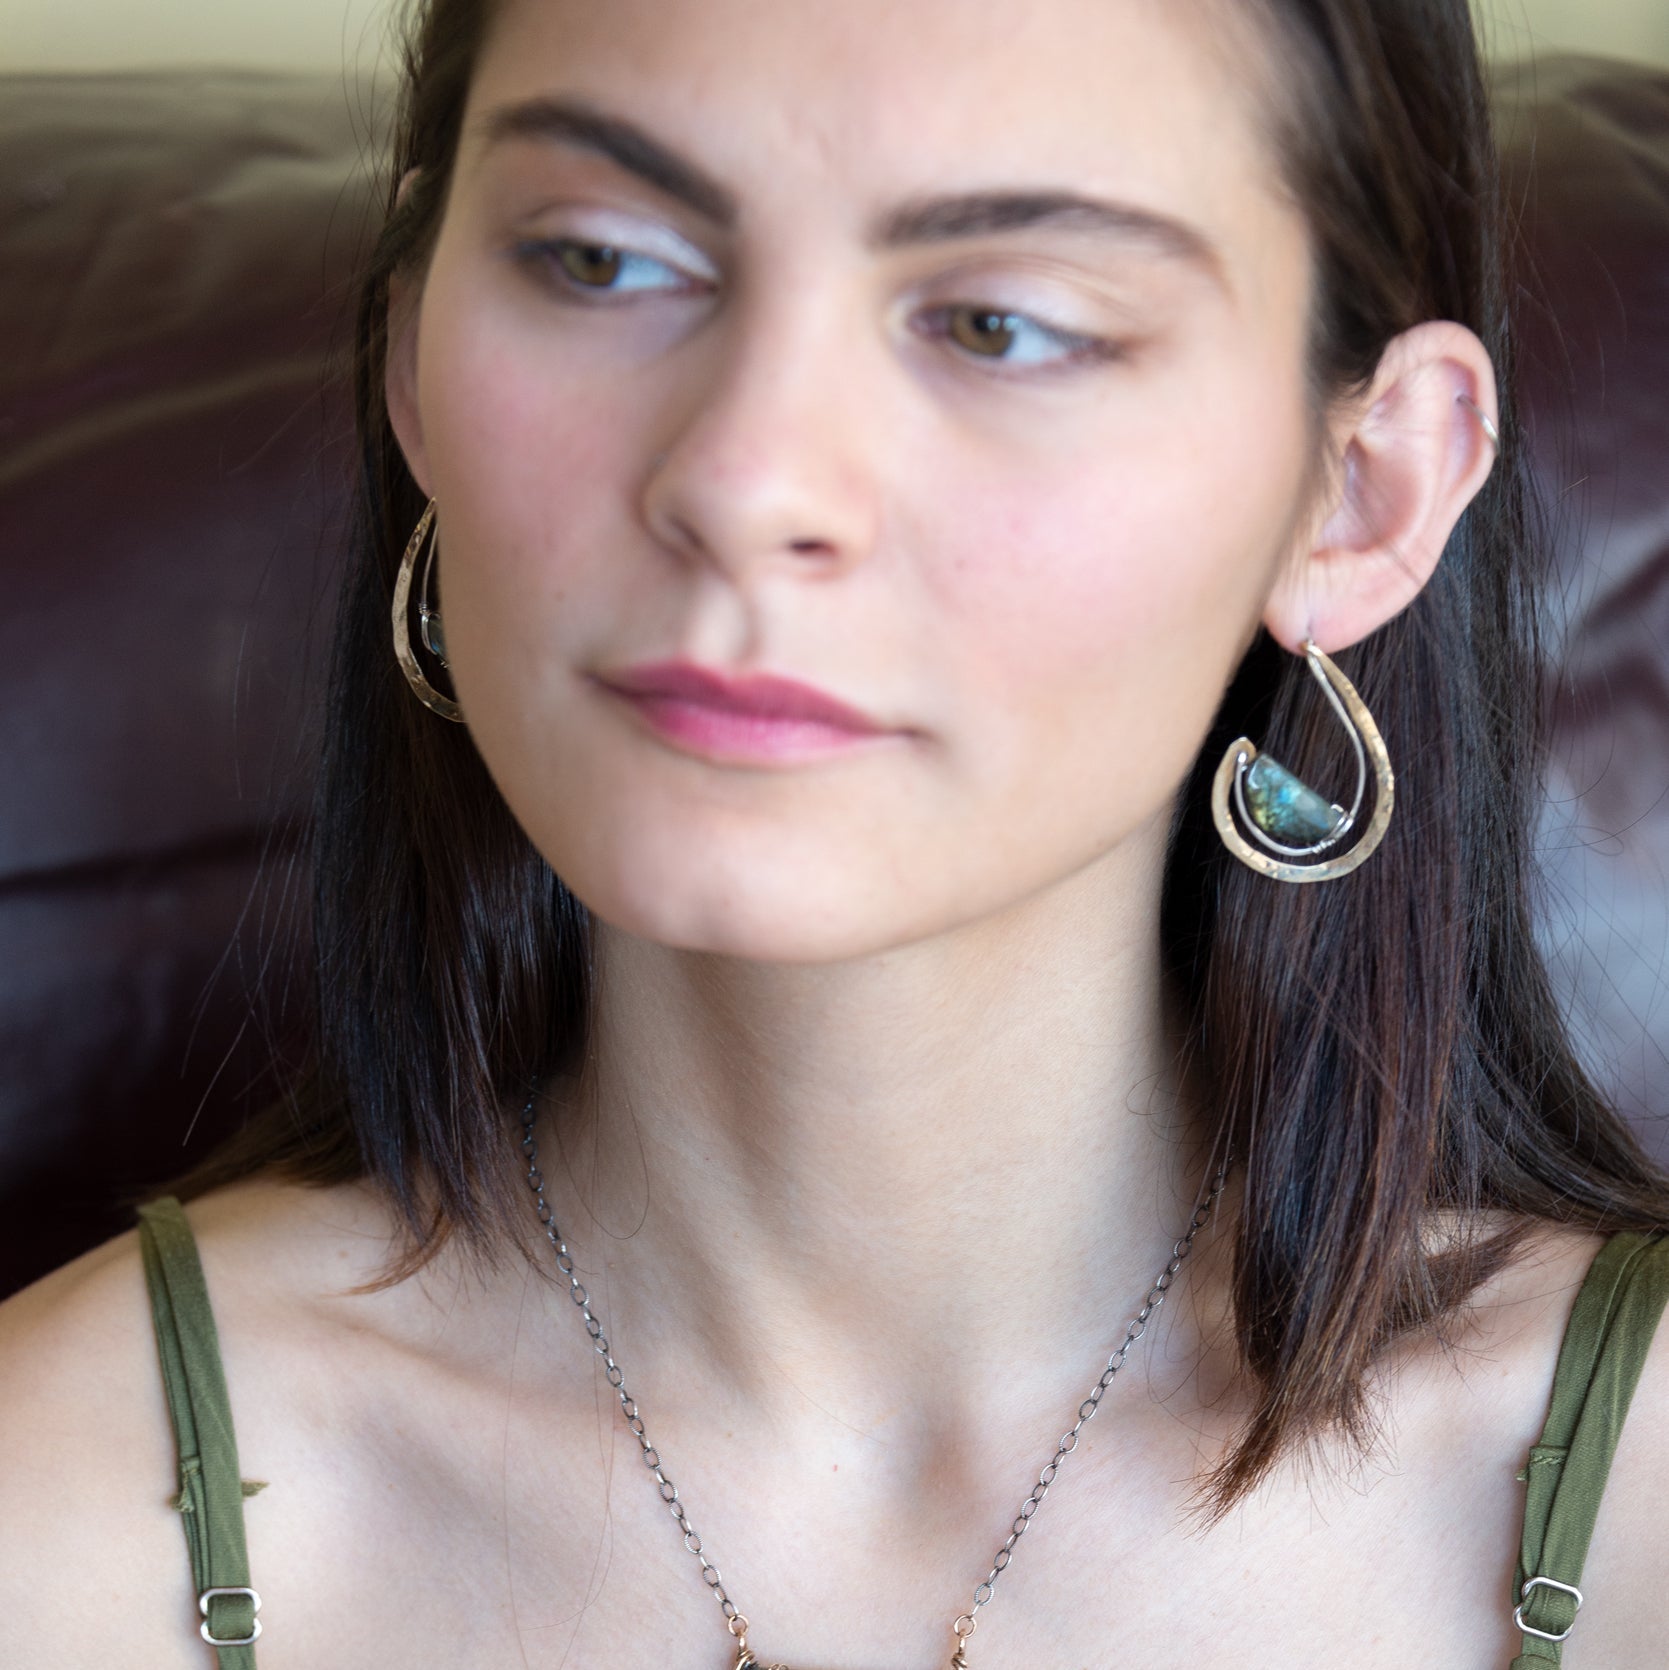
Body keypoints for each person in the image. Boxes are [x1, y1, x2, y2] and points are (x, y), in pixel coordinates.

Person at [2, 0, 1667, 1664]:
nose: (745, 480)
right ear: (411, 358)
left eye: (1000, 324)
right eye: (598, 259)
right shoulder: (62, 1508)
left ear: (1365, 486)